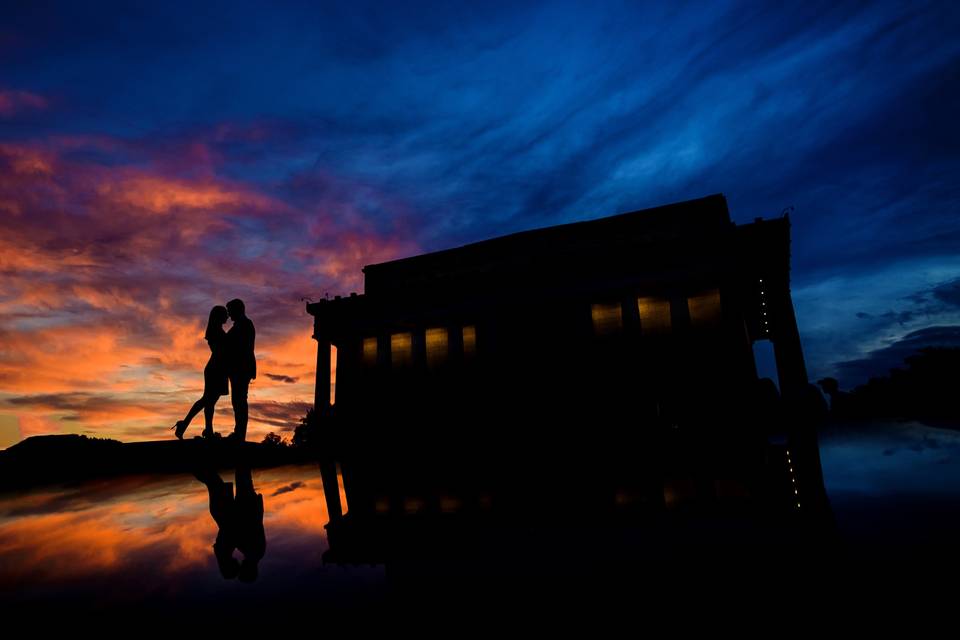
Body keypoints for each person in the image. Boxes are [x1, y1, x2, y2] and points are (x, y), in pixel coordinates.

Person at [172, 305, 230, 439]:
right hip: (216, 369)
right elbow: (219, 351)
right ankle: (186, 424)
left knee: (210, 402)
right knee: (207, 400)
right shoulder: (215, 331)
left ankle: (206, 429)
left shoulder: (217, 330)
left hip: (219, 369)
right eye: (225, 314)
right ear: (219, 316)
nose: (227, 316)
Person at [225, 298, 256, 441]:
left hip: (241, 368)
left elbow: (243, 348)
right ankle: (239, 432)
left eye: (230, 311)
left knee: (240, 401)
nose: (229, 315)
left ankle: (240, 434)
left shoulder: (244, 325)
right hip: (238, 368)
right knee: (238, 401)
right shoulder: (241, 324)